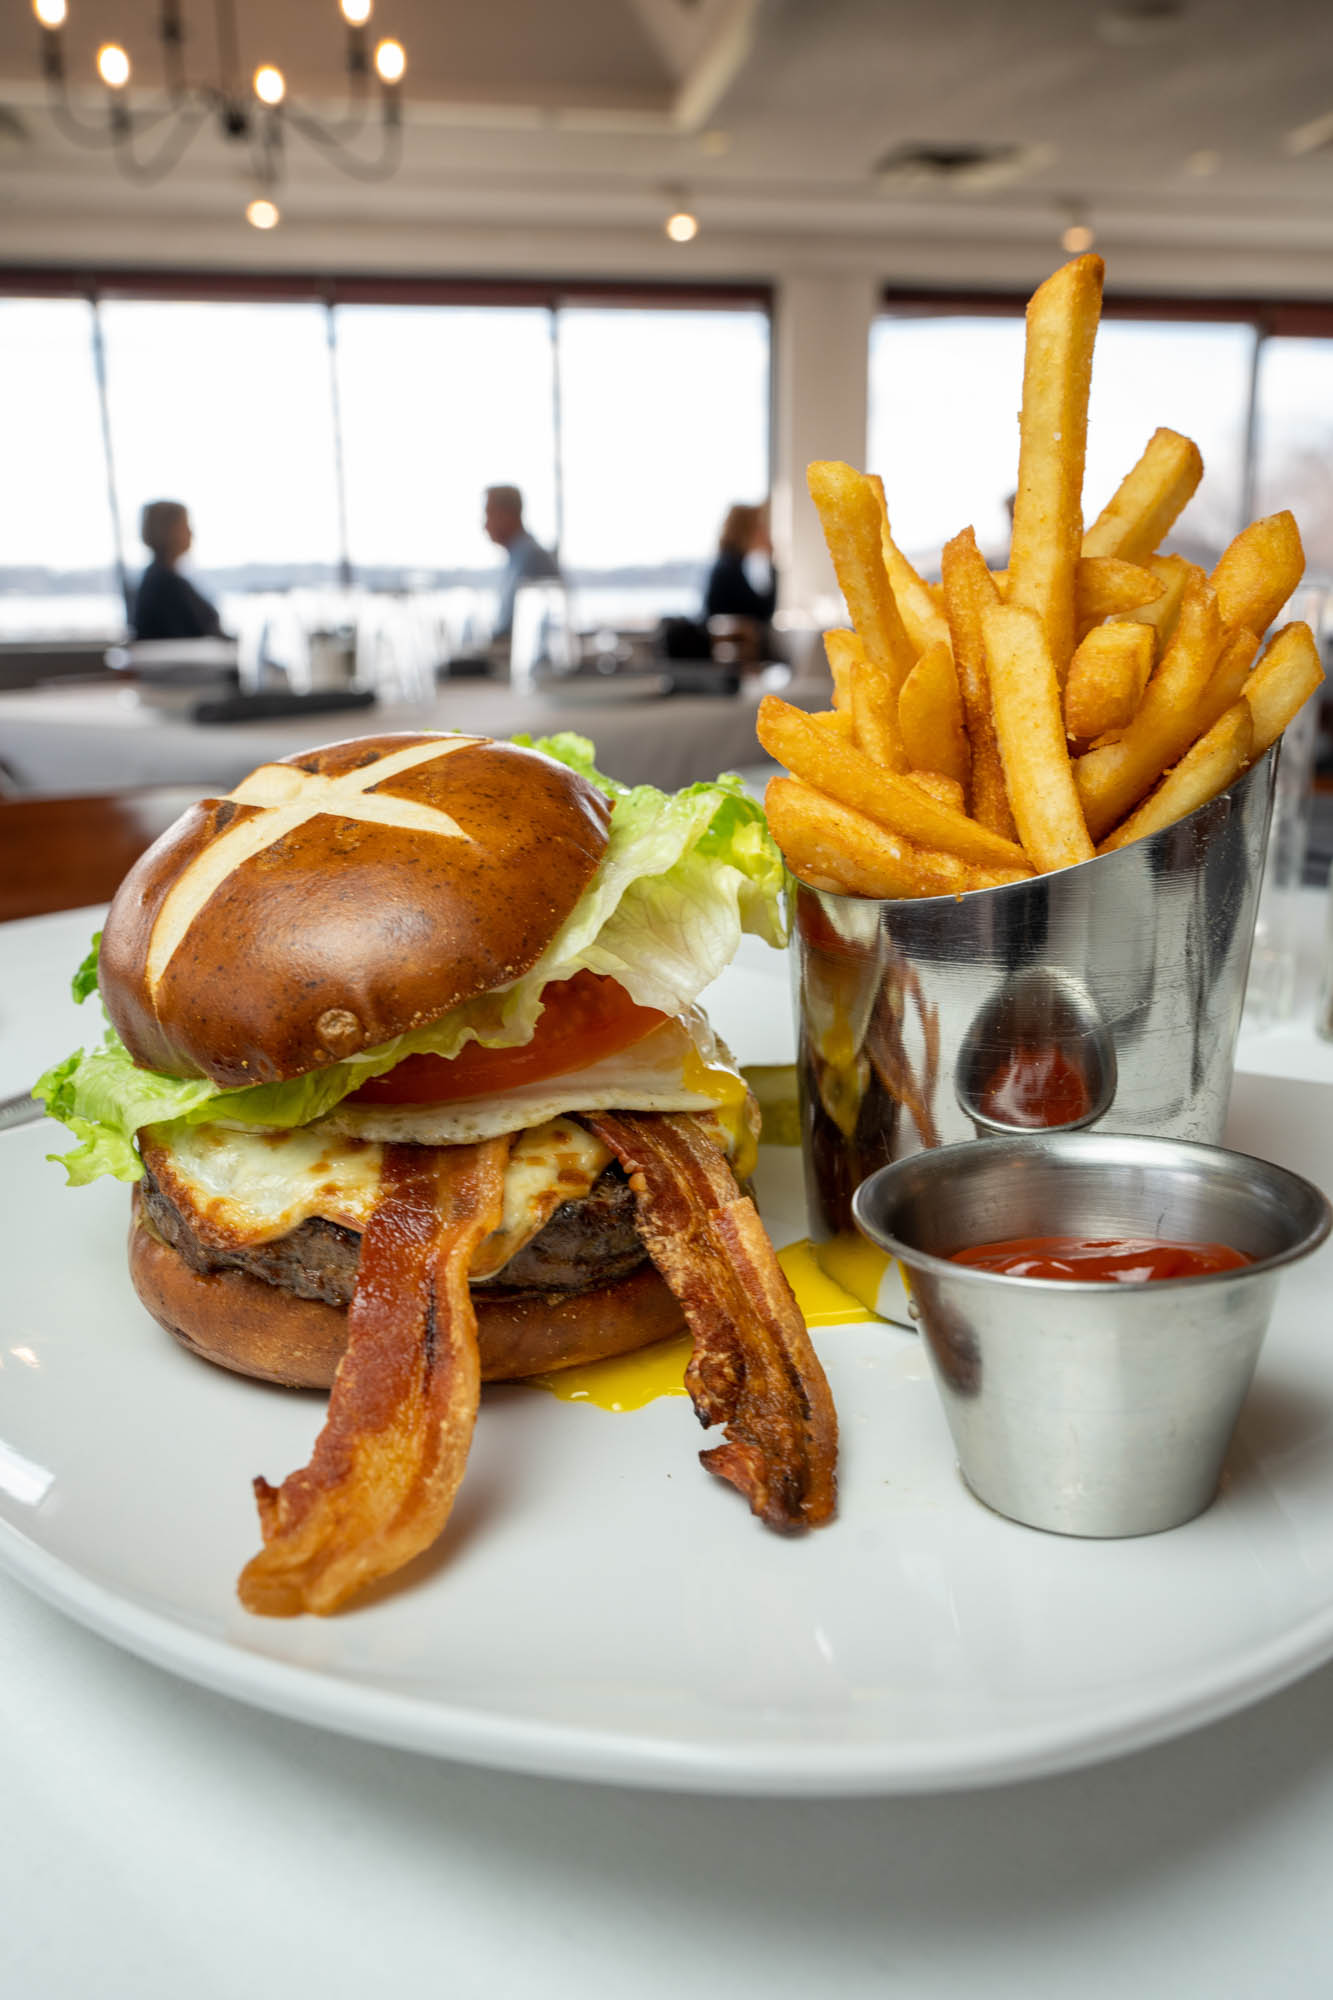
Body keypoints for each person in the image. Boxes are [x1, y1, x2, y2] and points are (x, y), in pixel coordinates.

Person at [131, 500, 223, 643]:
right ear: (168, 531)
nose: (191, 533)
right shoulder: (165, 584)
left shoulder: (159, 578)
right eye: (185, 526)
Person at [482, 485, 561, 641]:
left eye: (489, 514)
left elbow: (524, 634)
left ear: (507, 514)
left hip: (524, 659)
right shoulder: (516, 556)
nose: (485, 526)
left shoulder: (531, 557)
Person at [704, 502, 777, 624]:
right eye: (760, 526)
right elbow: (761, 614)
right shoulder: (728, 569)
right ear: (746, 530)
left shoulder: (730, 563)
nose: (765, 532)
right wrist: (771, 560)